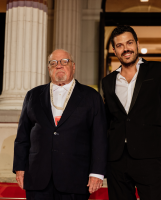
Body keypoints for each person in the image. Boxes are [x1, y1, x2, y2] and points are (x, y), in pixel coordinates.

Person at [13, 49, 107, 200]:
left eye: (65, 61)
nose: (59, 66)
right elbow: (22, 135)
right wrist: (19, 167)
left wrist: (97, 172)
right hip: (37, 178)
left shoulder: (91, 96)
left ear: (73, 66)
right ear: (49, 68)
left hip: (76, 178)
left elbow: (100, 137)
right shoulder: (33, 95)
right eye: (54, 63)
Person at [102, 25, 161, 200]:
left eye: (129, 43)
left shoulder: (160, 71)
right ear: (114, 50)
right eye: (120, 45)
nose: (126, 48)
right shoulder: (107, 82)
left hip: (150, 156)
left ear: (137, 44)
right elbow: (107, 122)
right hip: (116, 160)